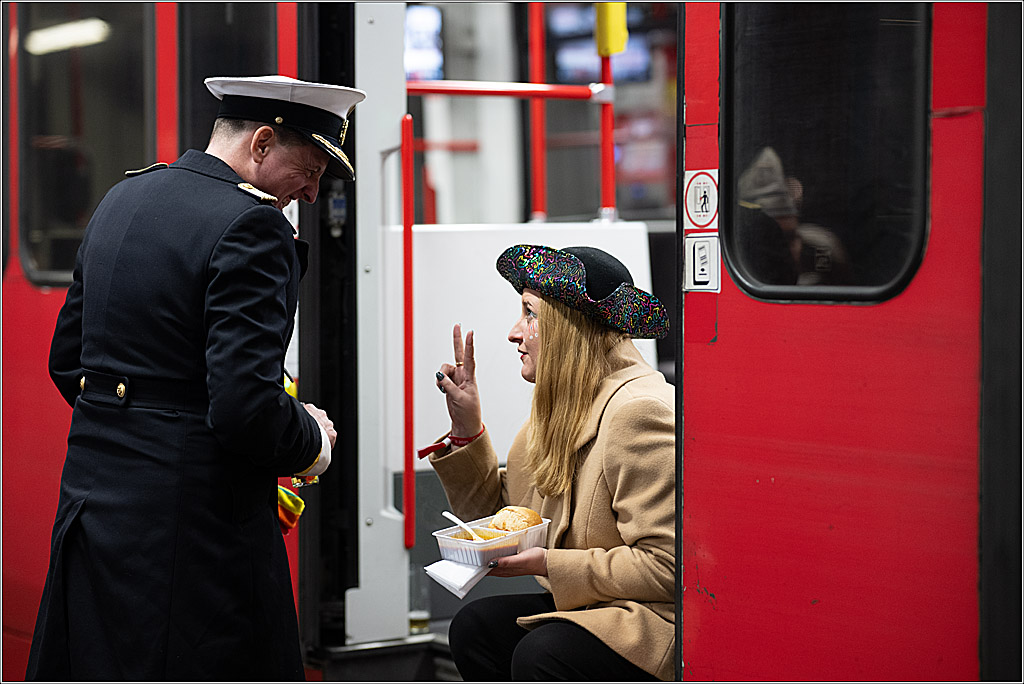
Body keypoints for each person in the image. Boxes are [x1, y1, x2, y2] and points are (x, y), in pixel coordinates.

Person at [27, 75, 364, 681]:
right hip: (194, 532)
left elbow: (68, 361)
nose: (313, 193)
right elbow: (243, 408)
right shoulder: (255, 228)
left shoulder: (124, 198)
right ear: (261, 143)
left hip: (92, 505)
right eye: (311, 168)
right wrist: (311, 440)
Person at [424, 244, 676, 681]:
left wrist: (548, 564)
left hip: (650, 621)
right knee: (475, 628)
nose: (514, 332)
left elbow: (668, 569)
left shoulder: (641, 413)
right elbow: (497, 521)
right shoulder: (556, 410)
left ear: (568, 326)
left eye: (529, 313)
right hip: (596, 604)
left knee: (543, 653)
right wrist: (467, 426)